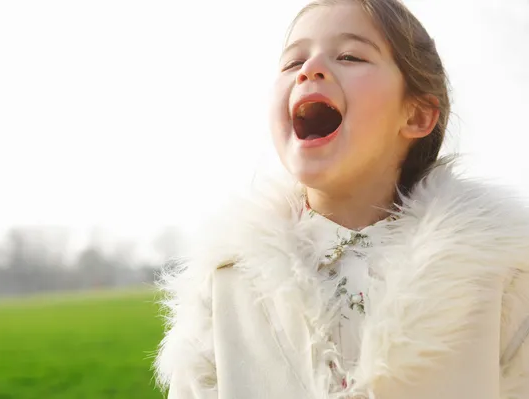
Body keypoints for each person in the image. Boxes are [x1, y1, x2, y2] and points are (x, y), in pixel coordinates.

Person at [153, 0, 529, 398]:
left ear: (416, 115)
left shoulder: (497, 277)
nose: (308, 69)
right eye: (291, 61)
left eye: (350, 56)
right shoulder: (224, 286)